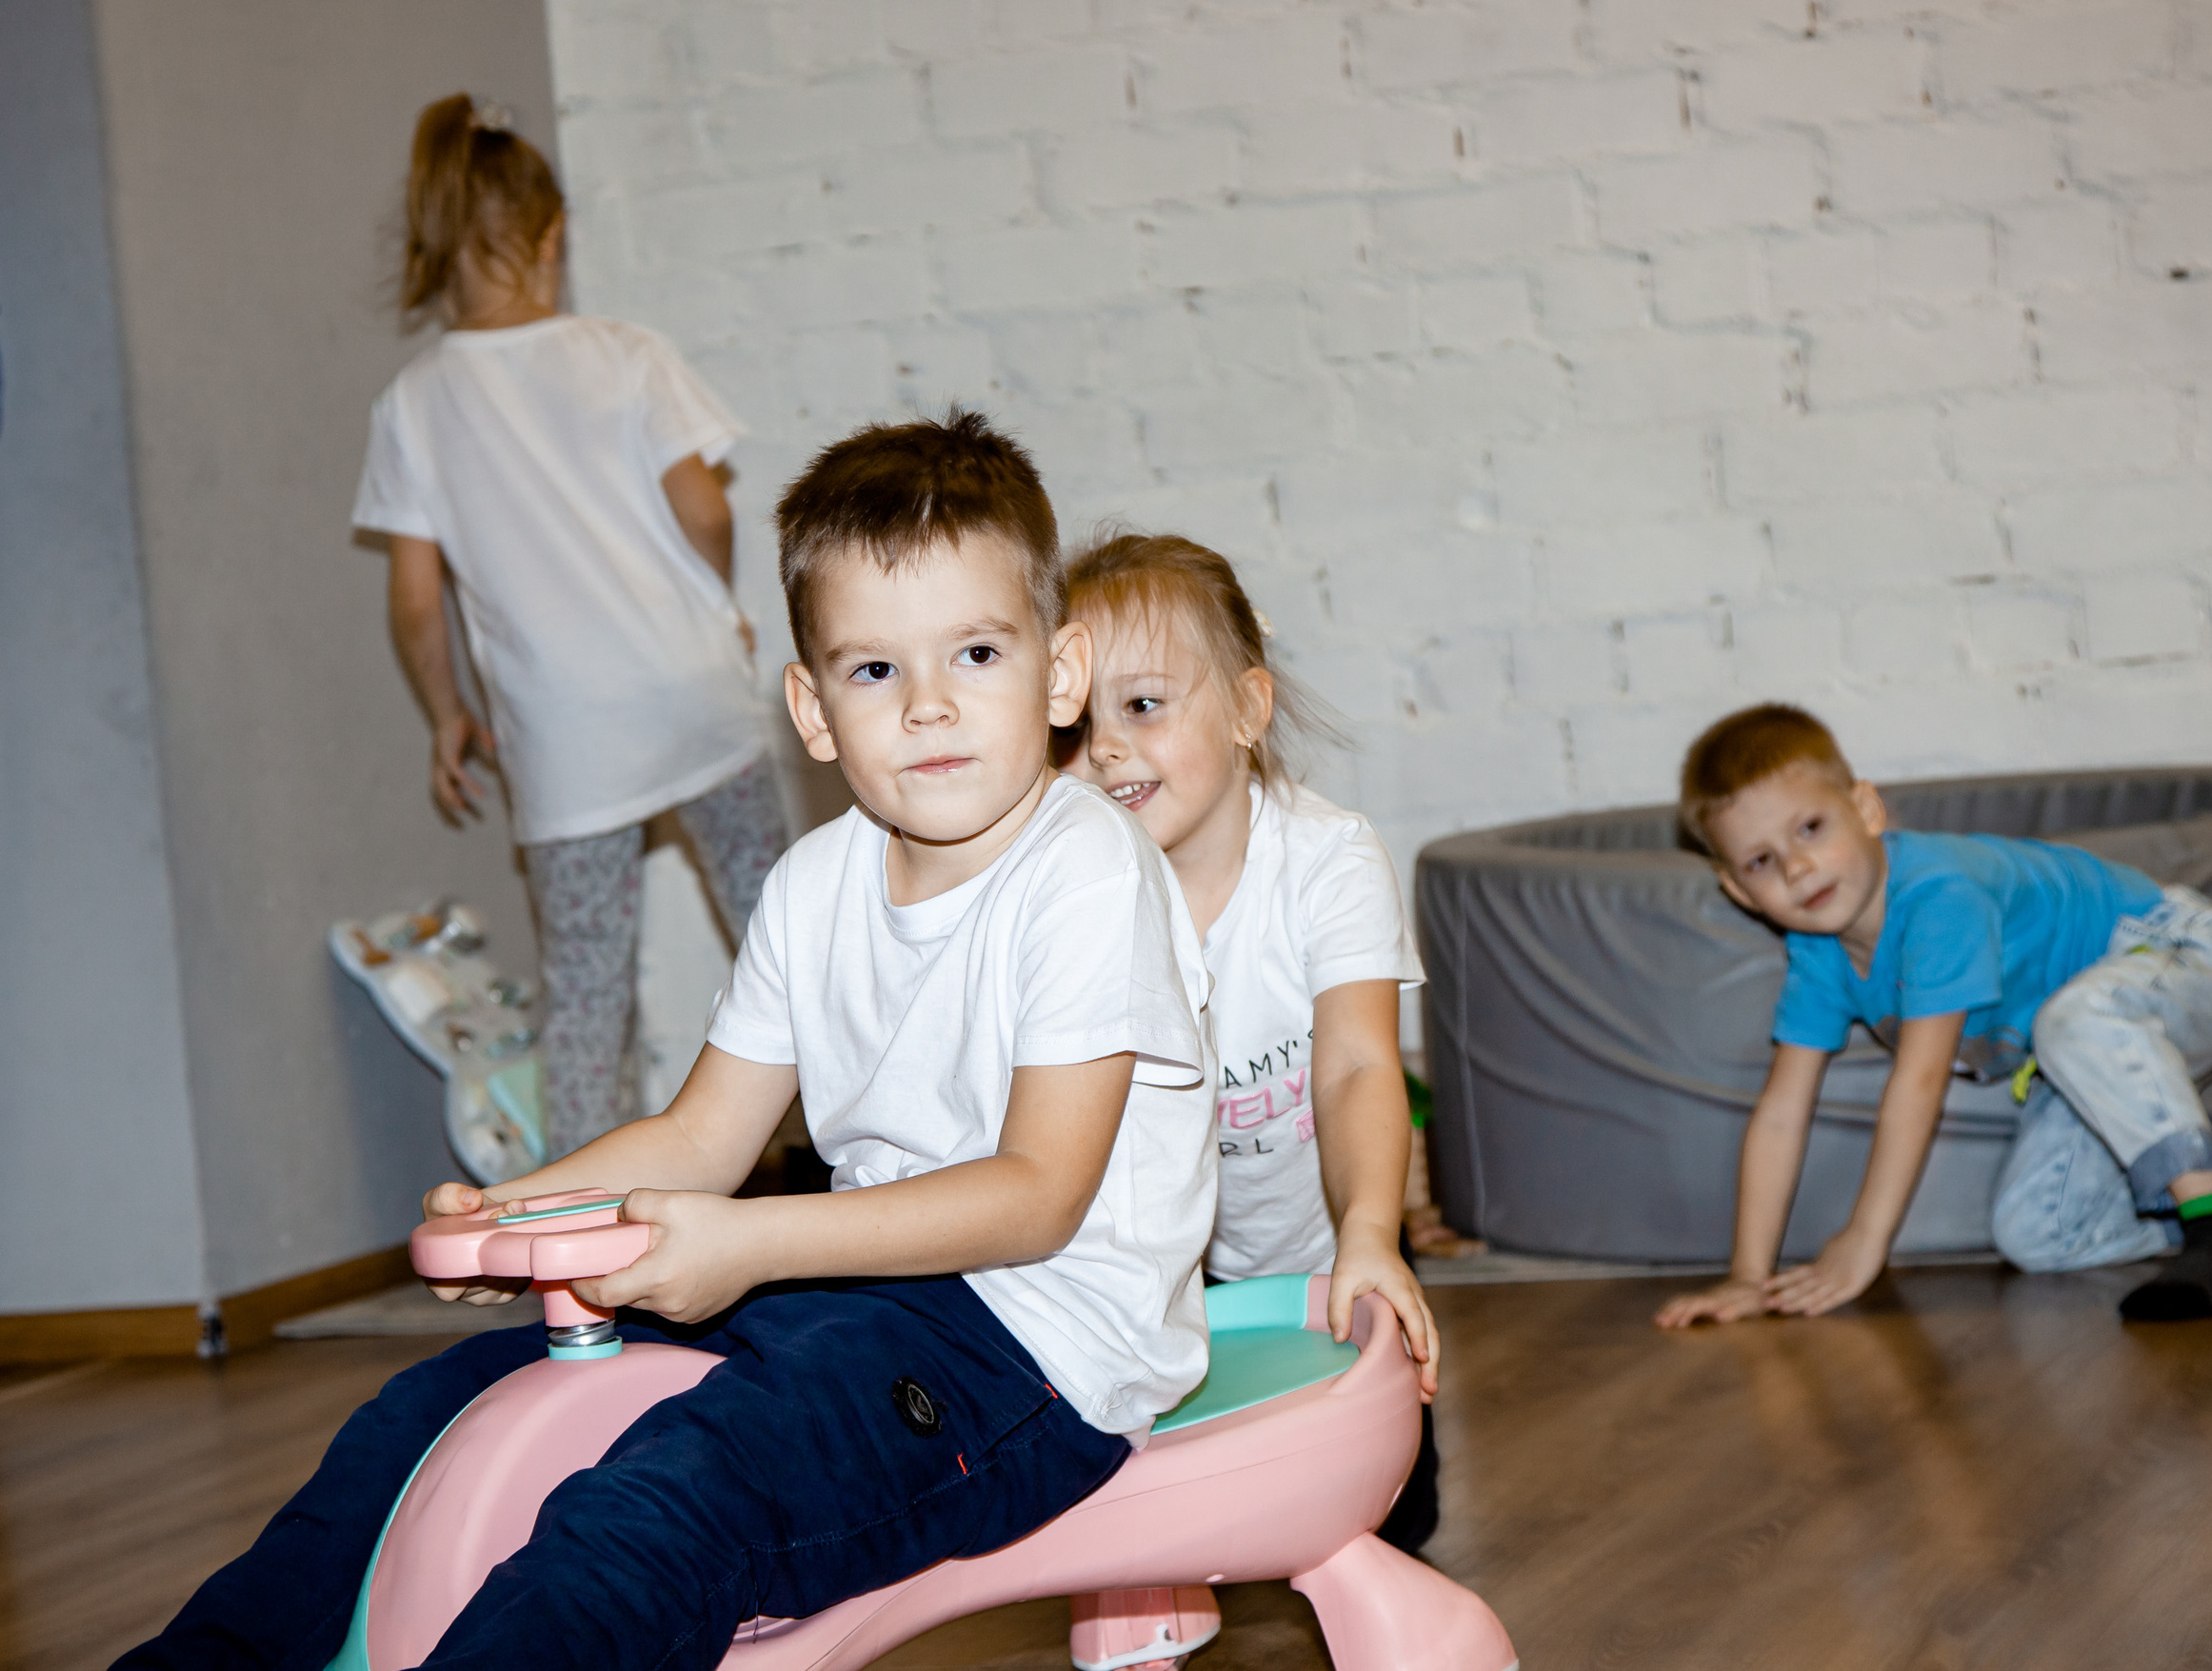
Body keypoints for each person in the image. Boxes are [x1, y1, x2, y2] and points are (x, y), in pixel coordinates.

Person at [119, 411, 1218, 1670]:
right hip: (846, 1298)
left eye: (974, 652)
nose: (926, 707)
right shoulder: (814, 886)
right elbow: (702, 1136)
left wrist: (747, 1242)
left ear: (1060, 674)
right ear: (810, 708)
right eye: (874, 672)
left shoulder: (1084, 872)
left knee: (670, 1500)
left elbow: (1036, 1200)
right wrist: (517, 1215)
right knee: (426, 1416)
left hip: (1039, 1355)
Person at [355, 92, 786, 1155]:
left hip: (568, 735)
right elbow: (707, 505)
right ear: (552, 237)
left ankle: (583, 1248)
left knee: (588, 993)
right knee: (789, 937)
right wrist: (718, 609)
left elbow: (416, 599)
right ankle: (881, 1173)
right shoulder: (625, 351)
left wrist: (448, 712)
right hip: (691, 687)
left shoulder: (412, 404)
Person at [1653, 704, 2212, 1330]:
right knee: (2038, 1235)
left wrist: (1865, 1238)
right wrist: (1748, 1274)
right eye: (1763, 860)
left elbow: (1920, 1081)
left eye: (1810, 828)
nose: (1799, 868)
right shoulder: (1817, 952)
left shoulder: (1938, 897)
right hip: (2079, 1050)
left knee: (2069, 1019)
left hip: (2185, 955)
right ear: (1737, 888)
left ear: (1866, 809)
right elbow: (1781, 1109)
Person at [1059, 532, 1441, 1556]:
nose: (1105, 748)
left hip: (1332, 1236)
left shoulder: (1325, 860)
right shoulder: (1072, 893)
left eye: (1143, 705)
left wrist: (1370, 1229)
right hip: (1163, 1267)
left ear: (1246, 709)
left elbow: (1361, 1062)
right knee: (1173, 1515)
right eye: (1075, 723)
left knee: (1389, 1513)